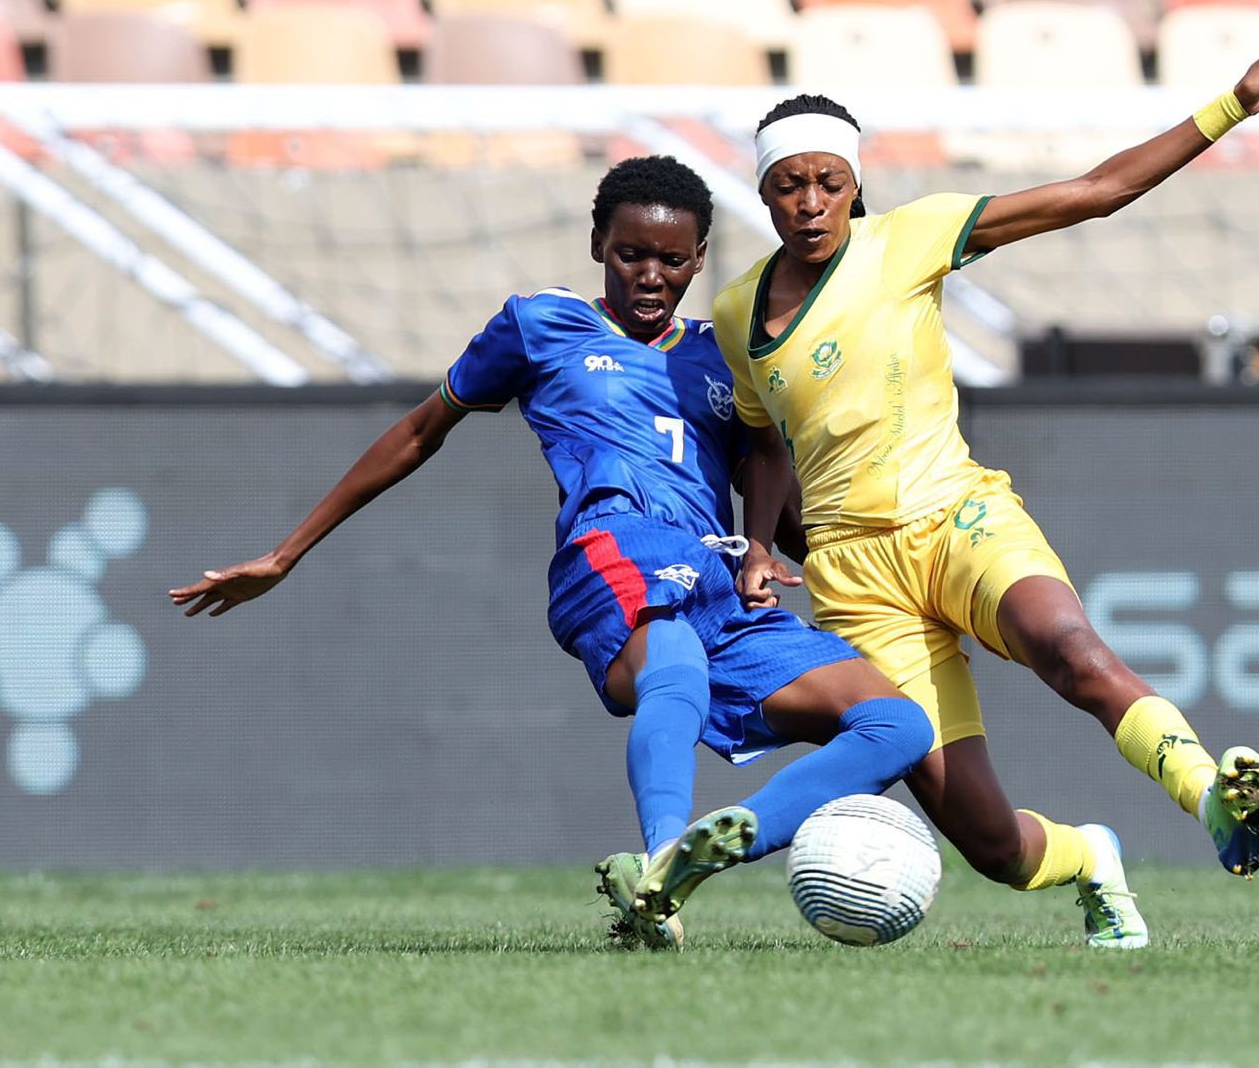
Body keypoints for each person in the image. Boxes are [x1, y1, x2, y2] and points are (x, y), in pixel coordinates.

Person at [168, 156, 941, 952]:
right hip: (615, 544)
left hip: (719, 575)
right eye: (630, 254)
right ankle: (663, 864)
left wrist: (810, 560)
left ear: (700, 258)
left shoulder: (723, 352)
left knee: (897, 726)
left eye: (671, 261)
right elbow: (417, 432)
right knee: (672, 661)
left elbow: (766, 479)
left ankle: (713, 851)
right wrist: (288, 551)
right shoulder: (541, 324)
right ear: (598, 244)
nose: (649, 275)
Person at [713, 14, 1259, 941]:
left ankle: (1212, 797)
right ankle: (1093, 857)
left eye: (828, 182)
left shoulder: (911, 239)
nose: (810, 201)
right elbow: (762, 443)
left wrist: (1235, 103)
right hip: (856, 582)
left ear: (855, 186)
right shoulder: (735, 310)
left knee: (1068, 649)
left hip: (956, 517)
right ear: (762, 193)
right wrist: (758, 544)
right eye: (788, 184)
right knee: (993, 847)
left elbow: (1096, 191)